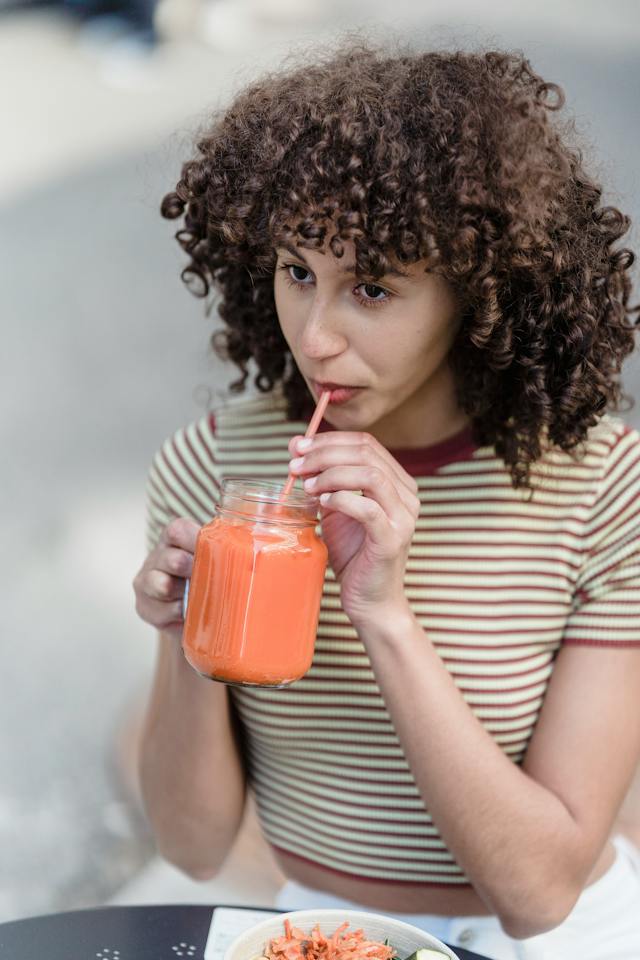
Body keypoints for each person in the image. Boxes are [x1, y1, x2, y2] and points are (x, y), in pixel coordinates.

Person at [132, 38, 640, 960]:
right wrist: (185, 641)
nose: (317, 337)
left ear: (480, 295)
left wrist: (385, 610)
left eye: (371, 286)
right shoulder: (216, 469)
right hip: (315, 925)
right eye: (297, 272)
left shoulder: (605, 488)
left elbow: (540, 894)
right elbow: (193, 847)